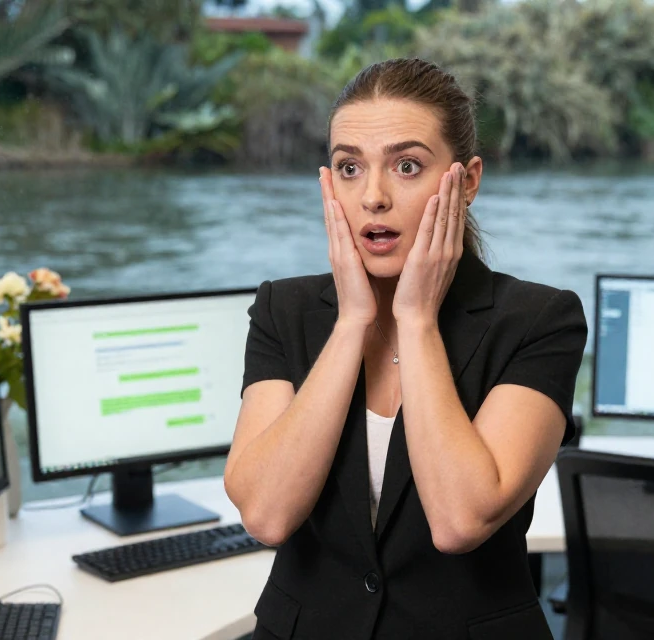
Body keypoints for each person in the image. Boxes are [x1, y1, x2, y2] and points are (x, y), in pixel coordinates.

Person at [224, 57, 588, 639]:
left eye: (408, 166)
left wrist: (415, 319)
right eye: (349, 168)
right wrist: (352, 323)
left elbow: (459, 520)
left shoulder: (540, 321)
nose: (373, 196)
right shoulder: (282, 311)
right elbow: (266, 515)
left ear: (467, 181)